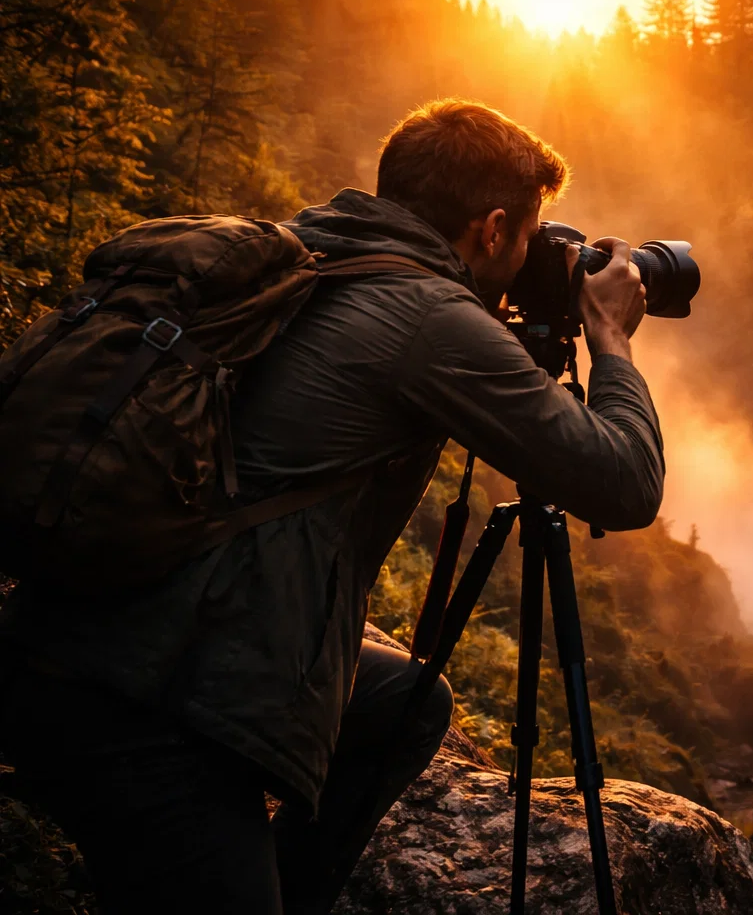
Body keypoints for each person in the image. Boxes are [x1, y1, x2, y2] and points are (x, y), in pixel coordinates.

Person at [0, 99, 664, 913]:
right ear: (491, 229)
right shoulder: (430, 321)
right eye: (528, 237)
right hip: (154, 706)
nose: (530, 258)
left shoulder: (306, 248)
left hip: (72, 622)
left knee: (406, 705)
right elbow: (625, 482)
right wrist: (611, 339)